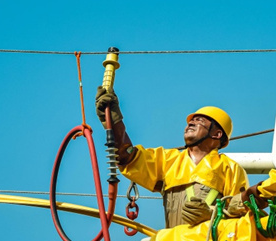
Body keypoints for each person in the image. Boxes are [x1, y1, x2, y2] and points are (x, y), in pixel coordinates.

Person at [95, 87, 248, 228]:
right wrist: (113, 119)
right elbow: (128, 157)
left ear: (217, 134)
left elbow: (242, 219)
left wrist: (212, 214)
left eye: (199, 121)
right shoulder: (169, 161)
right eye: (191, 121)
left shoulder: (230, 169)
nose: (191, 123)